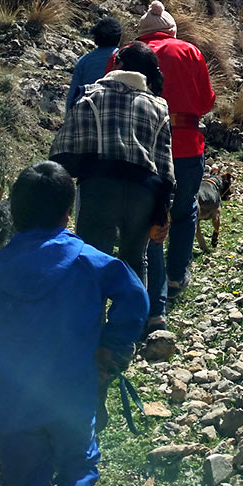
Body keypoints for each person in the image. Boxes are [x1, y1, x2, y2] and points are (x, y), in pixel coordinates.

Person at [0, 161, 148, 486]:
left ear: (15, 214)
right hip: (72, 399)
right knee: (77, 471)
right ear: (67, 213)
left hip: (12, 407)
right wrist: (110, 346)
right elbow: (135, 296)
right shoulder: (88, 260)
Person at [50, 42, 174, 325]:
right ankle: (127, 331)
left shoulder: (91, 96)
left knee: (93, 256)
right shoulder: (159, 107)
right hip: (143, 191)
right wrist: (163, 210)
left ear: (117, 64)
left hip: (98, 188)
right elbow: (165, 166)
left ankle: (88, 328)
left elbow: (63, 149)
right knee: (135, 260)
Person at [133, 0, 215, 317]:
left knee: (137, 213)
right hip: (184, 143)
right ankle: (176, 275)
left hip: (136, 146)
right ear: (171, 31)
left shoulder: (125, 54)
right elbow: (206, 102)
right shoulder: (189, 51)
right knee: (183, 209)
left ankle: (137, 279)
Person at [65, 17, 123, 113]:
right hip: (116, 112)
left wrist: (68, 120)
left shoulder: (84, 61)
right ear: (119, 37)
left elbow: (73, 95)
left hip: (87, 113)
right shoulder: (124, 59)